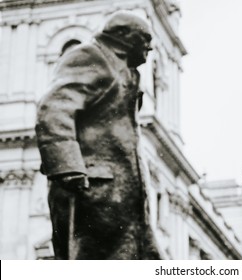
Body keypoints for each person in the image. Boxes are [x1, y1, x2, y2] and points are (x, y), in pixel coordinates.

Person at [35, 11, 161, 259]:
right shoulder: (90, 56)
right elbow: (54, 108)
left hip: (122, 193)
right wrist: (67, 166)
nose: (150, 47)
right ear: (123, 35)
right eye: (144, 38)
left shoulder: (127, 70)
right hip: (93, 188)